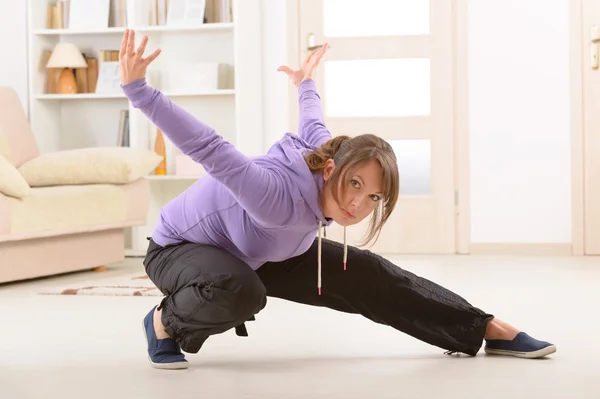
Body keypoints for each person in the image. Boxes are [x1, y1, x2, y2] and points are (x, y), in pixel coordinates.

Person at [118, 29, 556, 370]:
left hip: (264, 247)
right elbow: (209, 148)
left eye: (374, 197)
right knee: (241, 290)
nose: (359, 205)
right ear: (333, 172)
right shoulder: (273, 196)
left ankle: (483, 329)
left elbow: (312, 116)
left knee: (374, 276)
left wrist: (305, 82)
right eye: (355, 186)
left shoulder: (326, 152)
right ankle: (162, 322)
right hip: (181, 251)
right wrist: (140, 91)